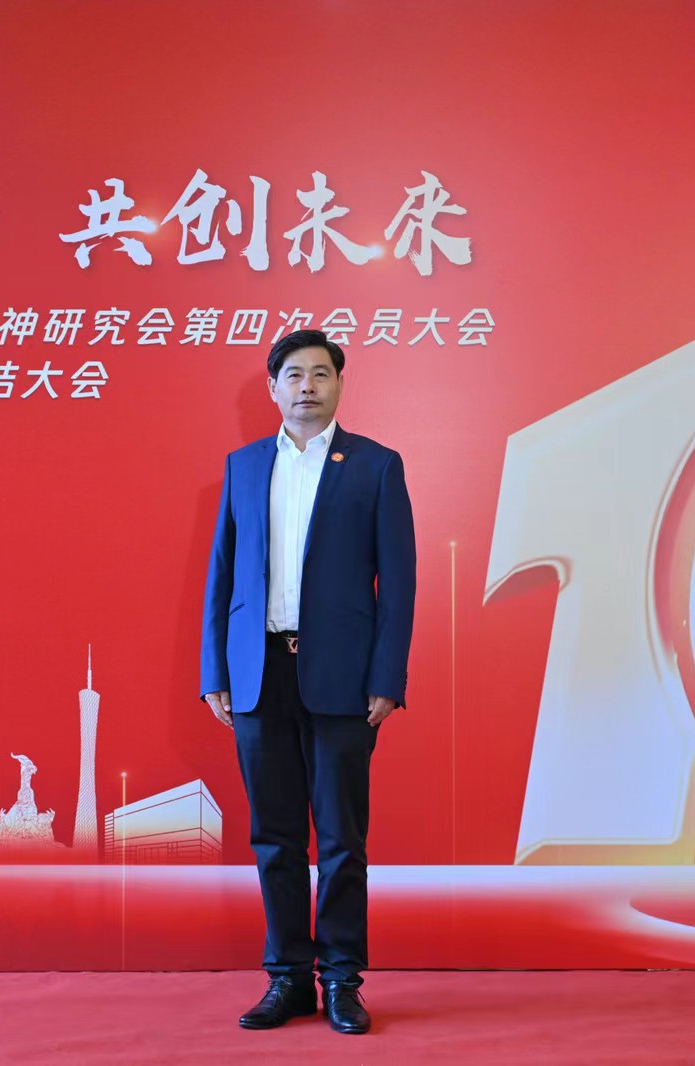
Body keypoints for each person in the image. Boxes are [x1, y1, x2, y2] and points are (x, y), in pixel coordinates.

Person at [199, 329, 416, 1035]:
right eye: (294, 375)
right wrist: (215, 670)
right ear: (273, 388)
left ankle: (342, 980)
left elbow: (399, 584)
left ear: (339, 385)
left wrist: (387, 676)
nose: (307, 387)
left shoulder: (376, 466)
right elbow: (222, 573)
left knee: (343, 838)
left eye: (321, 374)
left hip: (344, 679)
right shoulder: (244, 466)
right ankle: (288, 978)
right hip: (259, 673)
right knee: (275, 836)